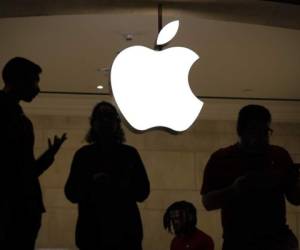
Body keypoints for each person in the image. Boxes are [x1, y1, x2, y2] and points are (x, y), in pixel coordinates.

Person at [201, 104, 300, 250]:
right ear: (240, 131)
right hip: (238, 242)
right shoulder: (222, 158)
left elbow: (295, 198)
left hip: (276, 242)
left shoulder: (279, 156)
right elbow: (207, 203)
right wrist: (234, 190)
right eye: (255, 132)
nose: (262, 138)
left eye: (265, 132)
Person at [0, 57, 67, 249]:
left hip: (21, 206)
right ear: (18, 80)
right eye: (34, 81)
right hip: (13, 207)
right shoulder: (12, 116)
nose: (37, 88)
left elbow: (23, 170)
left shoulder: (20, 118)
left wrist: (48, 157)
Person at [64, 101, 150, 250]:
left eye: (108, 117)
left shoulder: (84, 155)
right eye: (101, 117)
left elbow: (143, 192)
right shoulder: (129, 154)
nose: (105, 121)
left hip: (102, 234)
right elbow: (71, 193)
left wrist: (98, 183)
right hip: (112, 234)